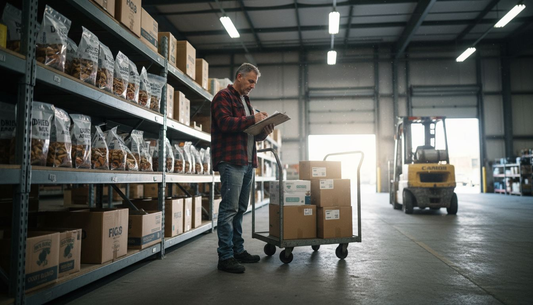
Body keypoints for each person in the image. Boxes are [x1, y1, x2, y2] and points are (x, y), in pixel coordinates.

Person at [211, 63, 274, 273]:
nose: (253, 86)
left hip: (247, 162)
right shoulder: (223, 97)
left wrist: (264, 129)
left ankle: (238, 250)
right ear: (239, 77)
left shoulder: (246, 101)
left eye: (255, 83)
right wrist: (252, 118)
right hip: (231, 161)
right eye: (250, 81)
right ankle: (225, 256)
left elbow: (250, 134)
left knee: (240, 209)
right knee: (229, 209)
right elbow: (225, 123)